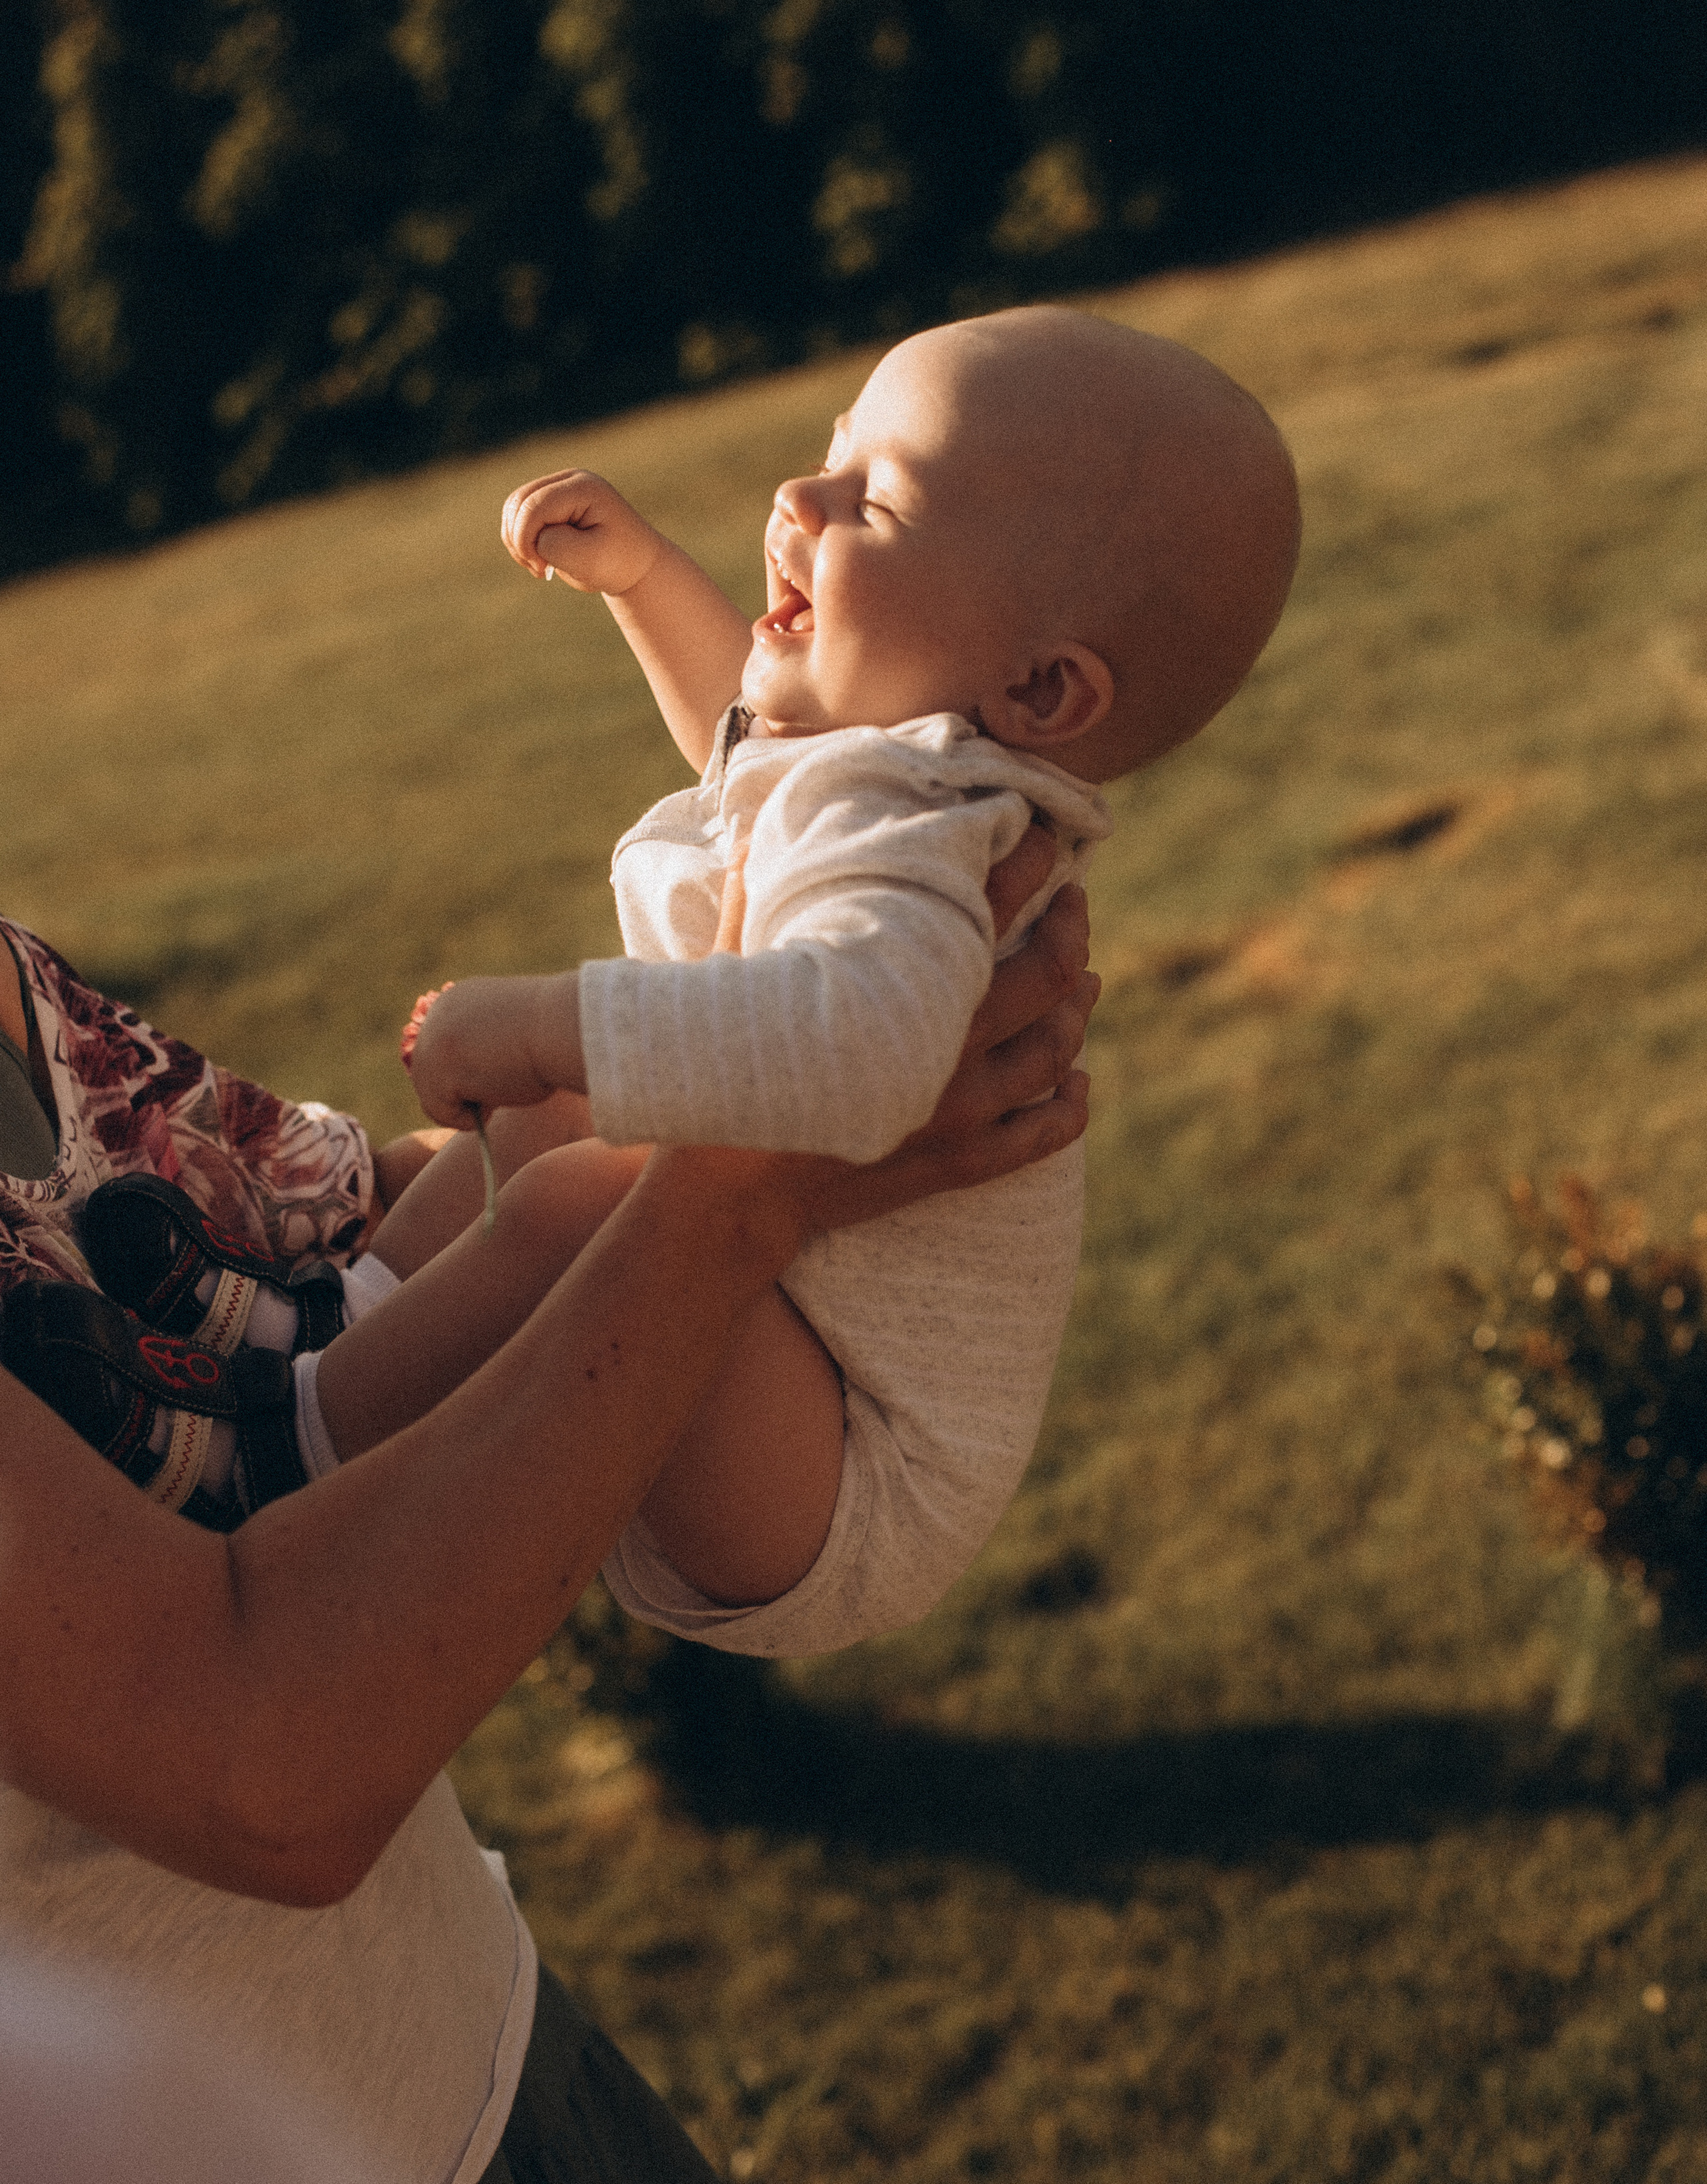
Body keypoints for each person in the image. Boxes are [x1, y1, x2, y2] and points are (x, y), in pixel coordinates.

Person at [0, 842, 1093, 2183]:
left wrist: (683, 1046)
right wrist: (740, 1175)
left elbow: (328, 1237)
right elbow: (260, 1765)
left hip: (485, 2047)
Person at [384, 305, 1300, 1656]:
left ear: (1040, 687)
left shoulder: (919, 828)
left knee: (578, 1186)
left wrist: (537, 1026)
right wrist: (645, 583)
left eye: (872, 501)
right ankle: (342, 1305)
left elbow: (852, 1045)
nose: (798, 498)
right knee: (515, 1162)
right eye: (828, 455)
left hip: (840, 1472)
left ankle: (313, 1400)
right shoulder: (897, 776)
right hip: (773, 1364)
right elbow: (748, 768)